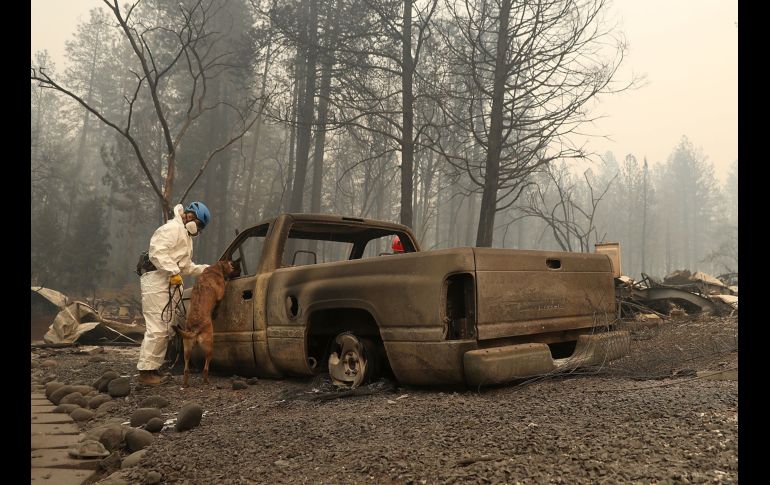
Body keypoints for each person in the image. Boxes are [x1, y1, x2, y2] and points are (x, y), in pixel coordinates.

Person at [137, 201, 211, 385]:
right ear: (191, 217)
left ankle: (153, 368)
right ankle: (146, 373)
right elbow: (157, 253)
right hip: (156, 280)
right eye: (199, 225)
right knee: (157, 327)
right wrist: (172, 271)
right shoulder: (171, 229)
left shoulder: (185, 237)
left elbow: (185, 266)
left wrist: (207, 270)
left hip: (166, 281)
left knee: (165, 326)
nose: (198, 230)